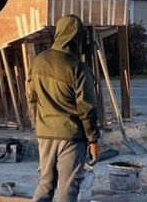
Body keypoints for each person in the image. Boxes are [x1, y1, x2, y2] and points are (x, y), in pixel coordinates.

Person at [27, 15, 100, 202]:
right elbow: (87, 109)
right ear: (78, 38)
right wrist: (93, 140)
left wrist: (39, 124)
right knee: (68, 190)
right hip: (71, 136)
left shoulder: (38, 61)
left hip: (44, 134)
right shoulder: (78, 68)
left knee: (45, 185)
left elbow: (32, 98)